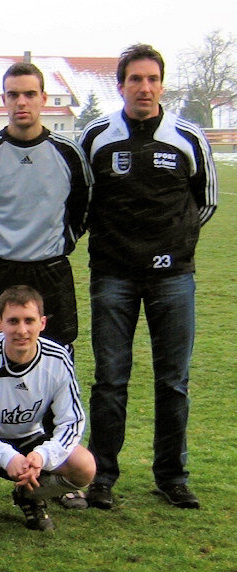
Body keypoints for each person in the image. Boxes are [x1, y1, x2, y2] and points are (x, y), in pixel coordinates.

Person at [79, 44, 217, 510]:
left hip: (173, 277)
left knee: (173, 381)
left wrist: (174, 243)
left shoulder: (188, 137)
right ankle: (101, 476)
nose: (144, 87)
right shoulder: (97, 137)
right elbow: (81, 201)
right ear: (121, 86)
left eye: (152, 79)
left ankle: (172, 476)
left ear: (162, 84)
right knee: (110, 379)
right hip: (113, 275)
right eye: (135, 79)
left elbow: (207, 202)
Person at [0, 62, 91, 350]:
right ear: (4, 99)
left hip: (50, 269)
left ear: (43, 98)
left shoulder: (68, 154)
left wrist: (64, 240)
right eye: (13, 94)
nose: (21, 102)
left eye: (30, 94)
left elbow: (84, 204)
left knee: (56, 352)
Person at [0, 286, 95, 533]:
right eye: (13, 321)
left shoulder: (58, 358)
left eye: (29, 321)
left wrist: (43, 456)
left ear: (43, 323)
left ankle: (29, 495)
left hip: (29, 440)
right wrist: (6, 456)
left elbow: (73, 421)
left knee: (84, 466)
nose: (21, 330)